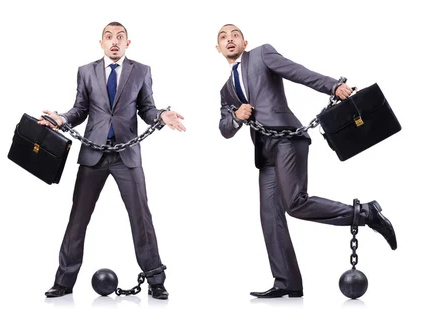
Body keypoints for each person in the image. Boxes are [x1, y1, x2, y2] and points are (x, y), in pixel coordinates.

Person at [215, 24, 397, 298]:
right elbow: (224, 130)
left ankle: (366, 214)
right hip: (265, 152)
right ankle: (286, 282)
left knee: (295, 204)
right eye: (223, 37)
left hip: (288, 138)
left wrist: (333, 86)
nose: (229, 39)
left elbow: (297, 71)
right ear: (217, 48)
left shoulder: (262, 55)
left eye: (234, 35)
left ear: (244, 41)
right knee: (269, 217)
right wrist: (235, 117)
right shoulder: (226, 91)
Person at [39, 21, 185, 300]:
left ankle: (155, 279)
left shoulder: (141, 71)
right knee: (78, 219)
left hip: (126, 156)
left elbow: (147, 108)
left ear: (127, 43)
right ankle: (64, 281)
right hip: (93, 154)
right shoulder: (85, 71)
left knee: (141, 218)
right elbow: (80, 109)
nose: (114, 41)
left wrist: (161, 116)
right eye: (109, 37)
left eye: (120, 37)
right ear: (101, 43)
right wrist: (61, 119)